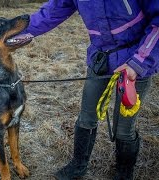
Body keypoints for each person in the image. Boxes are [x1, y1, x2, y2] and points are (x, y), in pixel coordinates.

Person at [14, 0, 159, 179]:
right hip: (100, 60)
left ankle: (124, 172)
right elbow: (51, 12)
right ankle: (78, 165)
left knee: (124, 128)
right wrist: (15, 32)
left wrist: (139, 62)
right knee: (86, 117)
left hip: (136, 61)